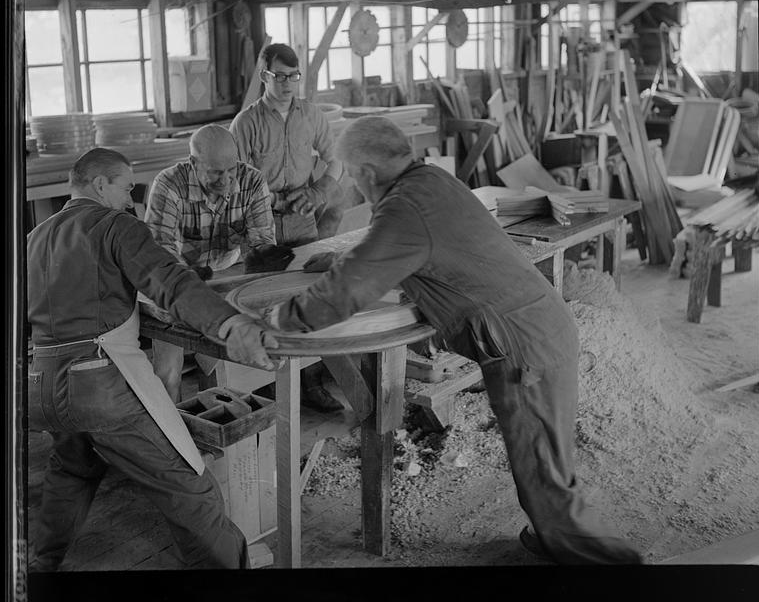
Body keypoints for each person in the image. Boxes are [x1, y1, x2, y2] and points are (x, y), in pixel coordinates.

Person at [272, 116, 644, 565]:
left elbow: (348, 291)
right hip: (542, 328)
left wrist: (276, 321)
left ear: (367, 173)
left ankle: (618, 566)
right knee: (547, 466)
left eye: (351, 175)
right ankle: (552, 539)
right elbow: (402, 246)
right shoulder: (431, 180)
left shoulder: (403, 208)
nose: (352, 185)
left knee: (543, 472)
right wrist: (341, 257)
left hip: (524, 350)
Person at [26, 147, 282, 571]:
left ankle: (40, 564)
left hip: (39, 387)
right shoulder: (114, 225)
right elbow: (171, 283)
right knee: (189, 488)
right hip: (99, 380)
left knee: (72, 469)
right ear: (100, 184)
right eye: (126, 188)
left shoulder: (34, 238)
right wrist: (230, 326)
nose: (130, 200)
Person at [229, 42, 345, 413]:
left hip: (302, 217)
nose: (287, 83)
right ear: (264, 77)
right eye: (279, 76)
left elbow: (334, 159)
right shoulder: (246, 123)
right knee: (260, 300)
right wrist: (274, 201)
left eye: (293, 76)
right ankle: (267, 386)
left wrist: (321, 189)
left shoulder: (311, 115)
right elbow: (236, 180)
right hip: (261, 224)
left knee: (307, 298)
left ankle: (310, 383)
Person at [144, 124, 293, 401]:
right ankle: (174, 436)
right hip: (175, 281)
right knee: (167, 373)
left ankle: (213, 421)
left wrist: (267, 275)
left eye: (230, 169)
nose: (225, 180)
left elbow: (261, 241)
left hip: (226, 274)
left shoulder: (251, 181)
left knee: (219, 360)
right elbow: (161, 250)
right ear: (193, 162)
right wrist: (188, 279)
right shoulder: (169, 183)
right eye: (214, 172)